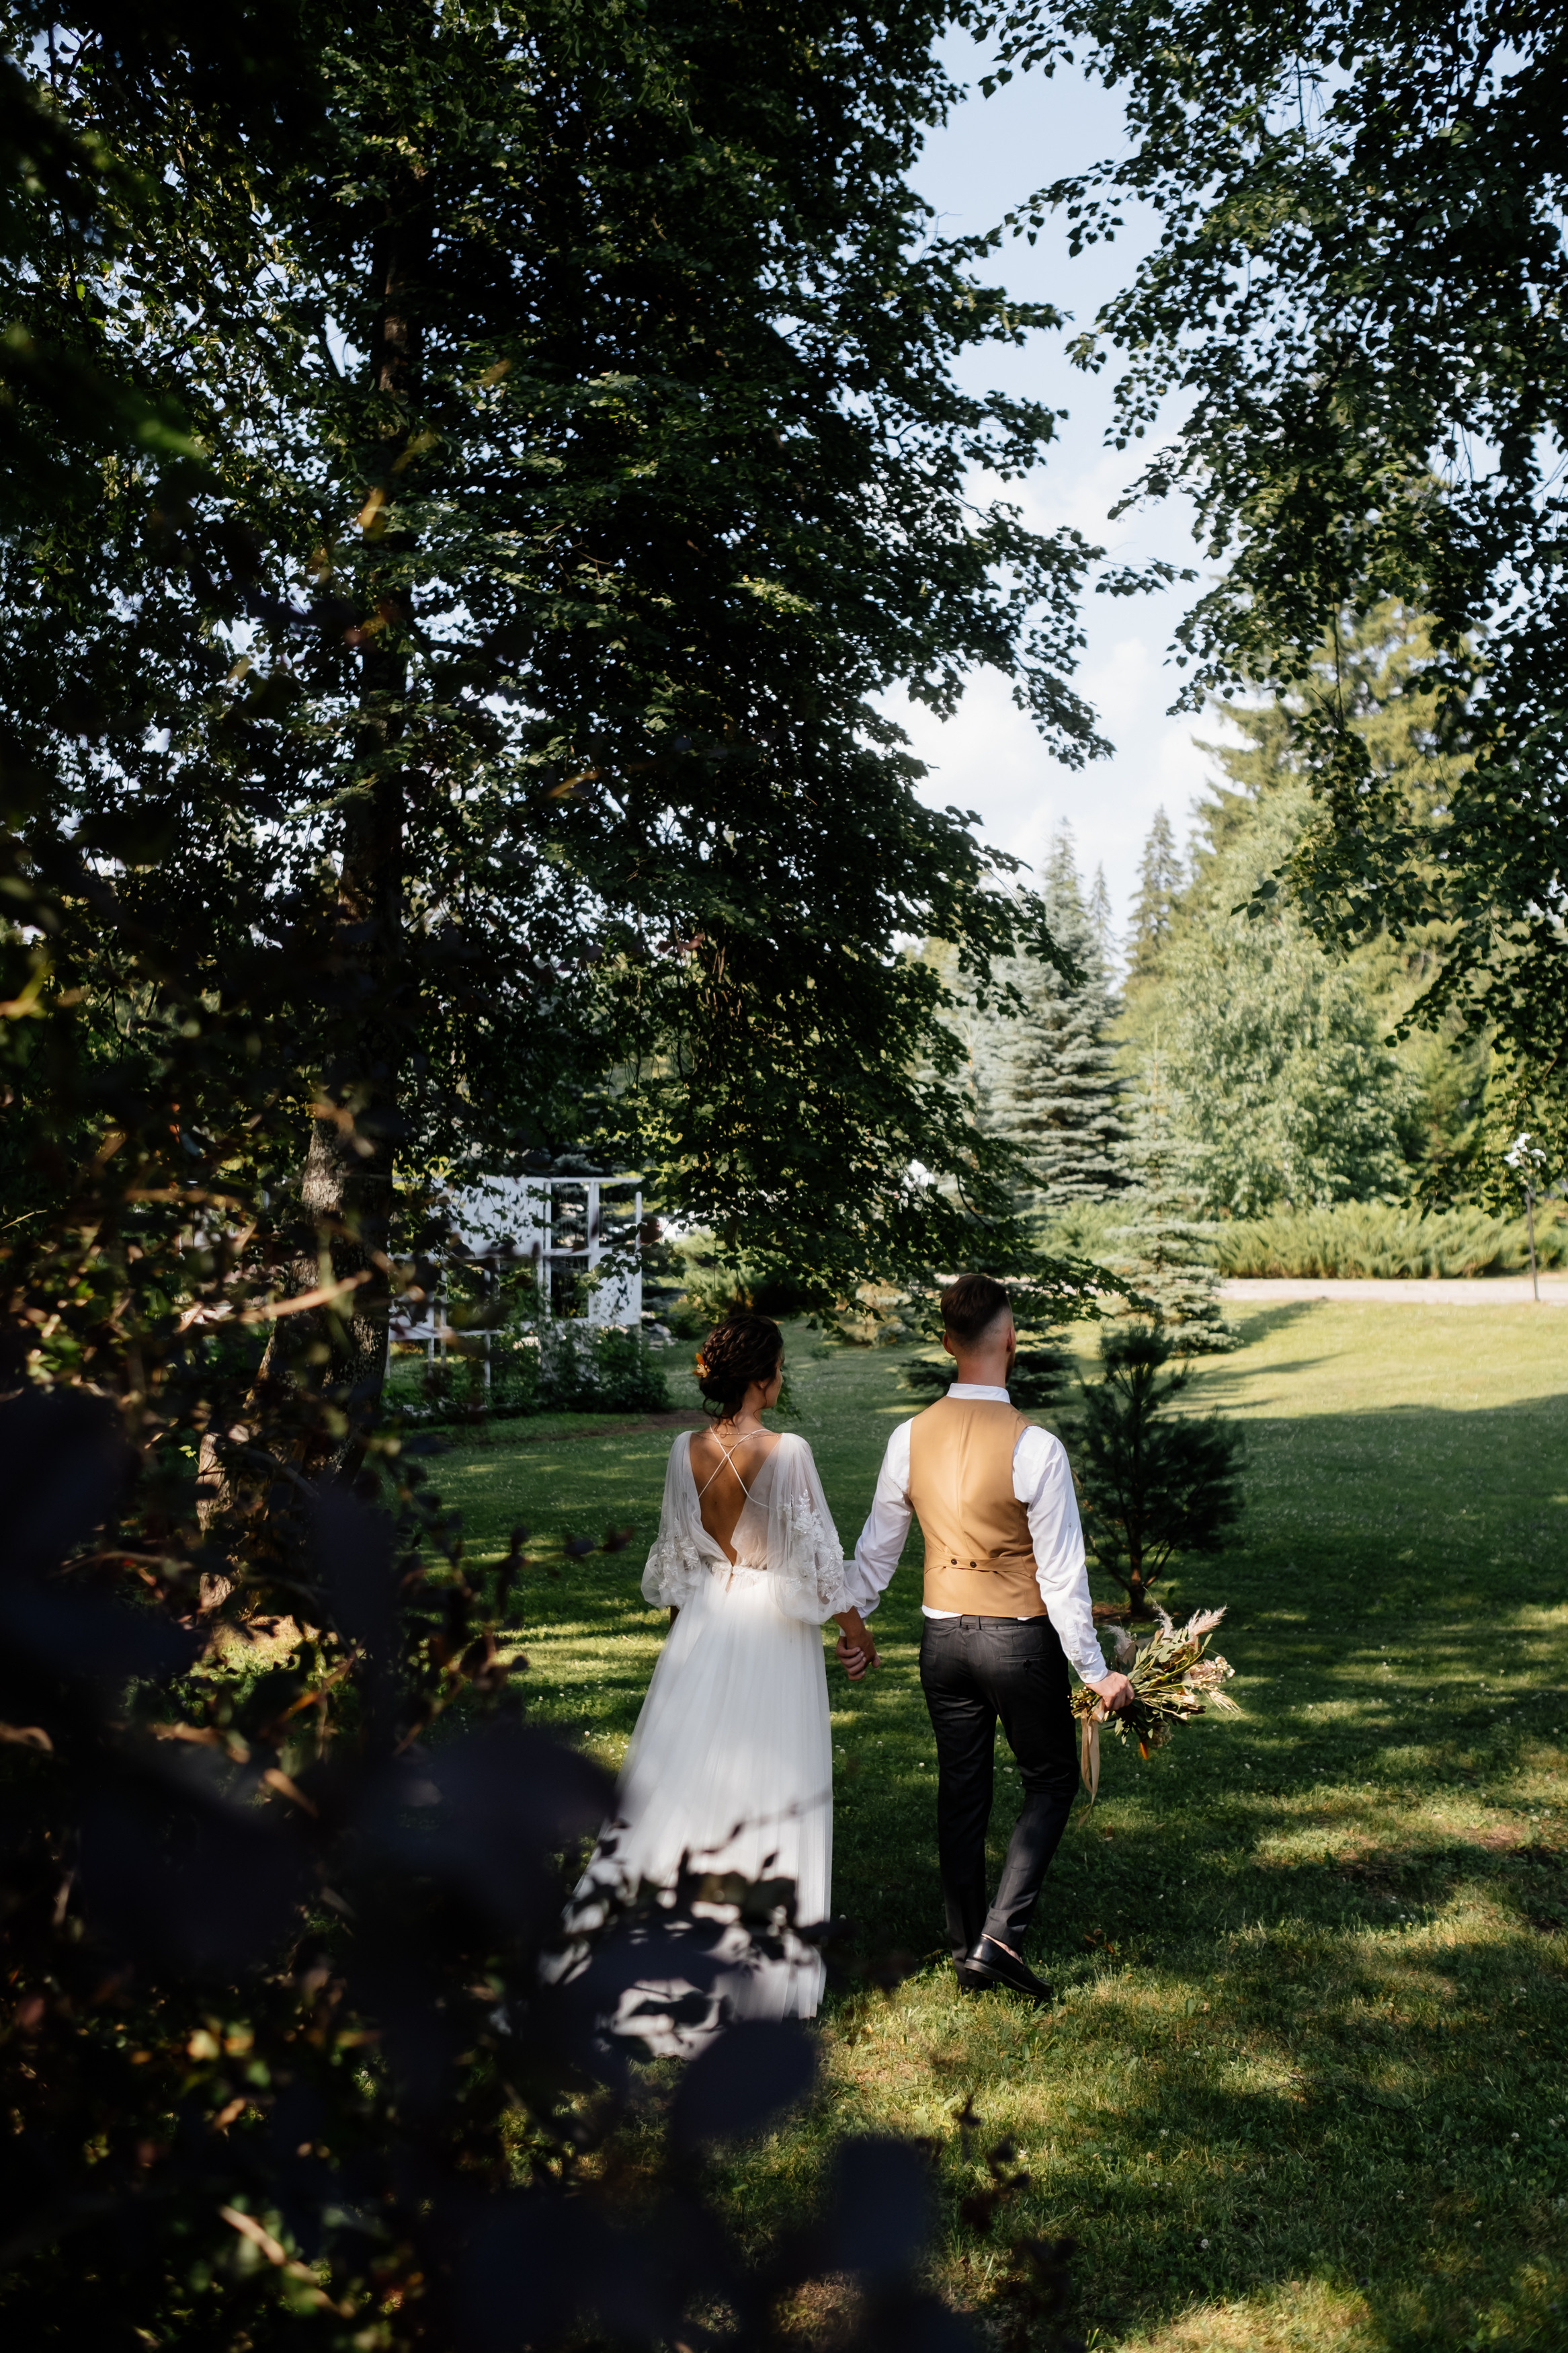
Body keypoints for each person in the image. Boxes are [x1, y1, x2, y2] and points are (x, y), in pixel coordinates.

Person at [548, 1312, 878, 2050]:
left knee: (684, 1782)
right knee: (772, 1785)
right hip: (768, 1631)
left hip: (702, 1622)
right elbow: (819, 1562)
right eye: (780, 1366)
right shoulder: (788, 1451)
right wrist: (857, 1636)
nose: (782, 1378)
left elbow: (676, 1563)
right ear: (762, 1375)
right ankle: (756, 1963)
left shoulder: (681, 1449)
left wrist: (686, 1644)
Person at [846, 1271, 1132, 2005]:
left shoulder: (906, 1436)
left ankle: (964, 1938)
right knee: (1049, 1779)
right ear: (1009, 1338)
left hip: (941, 1642)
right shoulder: (1035, 1445)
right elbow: (1062, 1577)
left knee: (961, 1786)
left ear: (947, 1344)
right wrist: (1095, 1670)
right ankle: (999, 1940)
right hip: (1015, 1640)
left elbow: (874, 1554)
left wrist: (853, 1618)